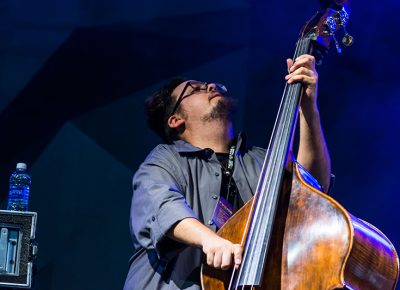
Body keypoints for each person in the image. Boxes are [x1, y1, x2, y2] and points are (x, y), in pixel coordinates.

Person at [123, 54, 331, 290]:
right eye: (195, 89)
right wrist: (210, 241)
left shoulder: (263, 161)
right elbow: (162, 206)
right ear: (175, 120)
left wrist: (308, 106)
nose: (210, 86)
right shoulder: (165, 159)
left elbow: (312, 190)